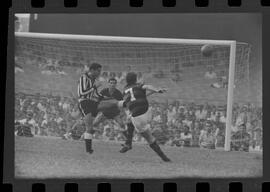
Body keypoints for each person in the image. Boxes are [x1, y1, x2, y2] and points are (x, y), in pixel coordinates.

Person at [117, 72, 171, 162]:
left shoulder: (125, 90)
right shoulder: (138, 86)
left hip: (138, 117)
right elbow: (147, 87)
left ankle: (164, 158)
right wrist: (157, 90)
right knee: (129, 120)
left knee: (149, 138)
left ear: (127, 80)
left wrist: (117, 104)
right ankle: (128, 143)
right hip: (146, 112)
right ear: (135, 79)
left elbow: (127, 103)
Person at [77, 63, 103, 154]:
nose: (99, 73)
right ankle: (88, 150)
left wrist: (102, 96)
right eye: (98, 71)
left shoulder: (94, 79)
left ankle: (79, 129)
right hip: (84, 102)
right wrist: (95, 86)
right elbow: (82, 93)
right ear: (92, 70)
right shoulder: (84, 78)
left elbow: (95, 92)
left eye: (100, 71)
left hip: (92, 102)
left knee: (90, 128)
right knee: (89, 127)